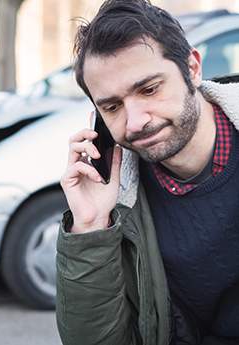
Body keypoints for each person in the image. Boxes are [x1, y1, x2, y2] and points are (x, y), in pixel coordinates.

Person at [56, 1, 239, 344]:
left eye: (150, 89)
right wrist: (91, 229)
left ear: (193, 68)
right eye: (112, 107)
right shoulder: (116, 202)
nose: (136, 121)